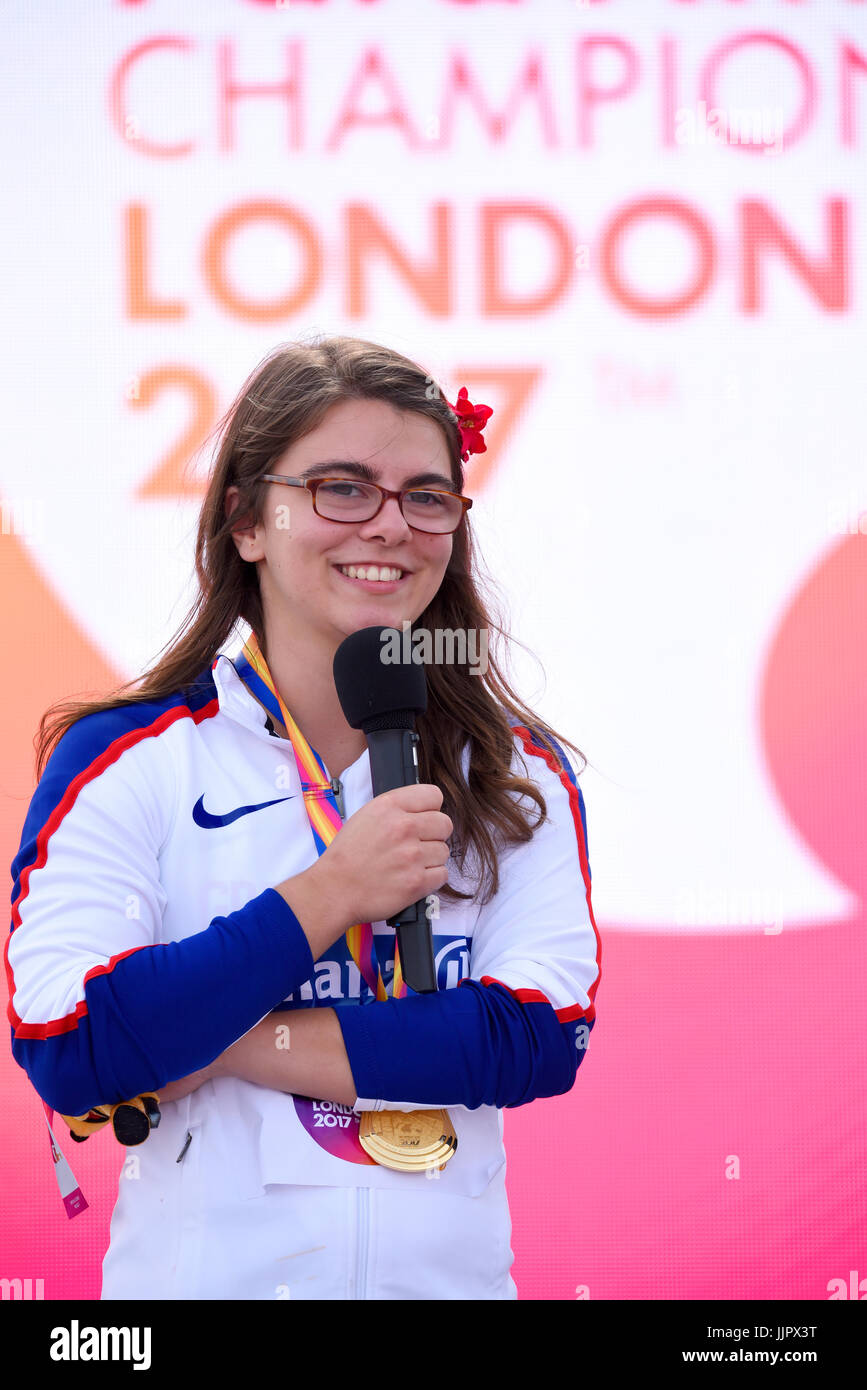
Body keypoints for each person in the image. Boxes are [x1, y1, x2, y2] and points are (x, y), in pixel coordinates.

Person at [7, 335, 601, 1300]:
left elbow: (532, 1040)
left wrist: (211, 1034)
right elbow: (72, 1049)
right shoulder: (127, 761)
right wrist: (328, 895)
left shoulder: (511, 770)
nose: (389, 526)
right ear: (246, 520)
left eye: (425, 496)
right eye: (341, 488)